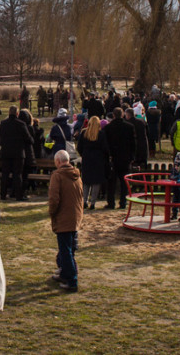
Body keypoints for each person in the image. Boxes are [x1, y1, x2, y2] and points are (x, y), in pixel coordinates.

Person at [48, 150, 83, 292]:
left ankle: (71, 280)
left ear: (57, 161)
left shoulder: (58, 176)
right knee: (69, 248)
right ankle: (64, 273)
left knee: (66, 250)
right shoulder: (77, 175)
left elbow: (54, 198)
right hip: (75, 217)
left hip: (63, 217)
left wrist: (52, 212)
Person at [0, 106, 34, 201]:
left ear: (9, 113)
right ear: (17, 113)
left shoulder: (3, 123)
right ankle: (19, 196)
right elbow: (28, 138)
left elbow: (0, 135)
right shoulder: (21, 124)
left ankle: (3, 195)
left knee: (5, 174)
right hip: (18, 153)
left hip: (6, 152)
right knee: (17, 175)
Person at [103, 107, 135, 210]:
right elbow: (133, 144)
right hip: (125, 157)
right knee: (124, 182)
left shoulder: (108, 128)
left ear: (113, 115)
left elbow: (105, 144)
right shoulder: (129, 127)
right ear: (122, 115)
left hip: (113, 158)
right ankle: (123, 202)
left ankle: (111, 203)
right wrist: (132, 157)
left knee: (111, 182)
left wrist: (108, 155)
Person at [76, 116, 110, 210]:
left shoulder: (84, 133)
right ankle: (93, 202)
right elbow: (105, 148)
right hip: (98, 159)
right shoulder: (101, 134)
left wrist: (83, 154)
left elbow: (79, 147)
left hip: (87, 158)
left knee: (86, 181)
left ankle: (84, 200)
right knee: (96, 182)